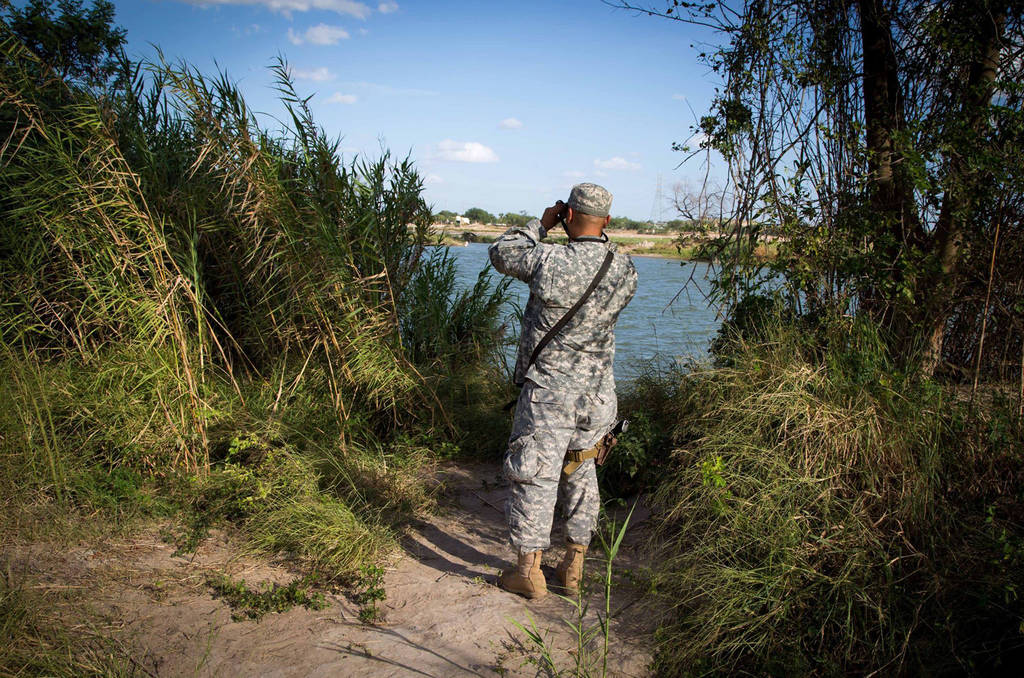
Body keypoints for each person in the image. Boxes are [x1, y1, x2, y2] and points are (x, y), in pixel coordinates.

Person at [488, 183, 638, 599]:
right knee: (582, 469)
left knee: (535, 473)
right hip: (599, 393)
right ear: (607, 221)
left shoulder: (550, 259)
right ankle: (573, 568)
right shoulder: (625, 269)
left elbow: (501, 252)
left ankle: (528, 573)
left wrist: (541, 224)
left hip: (551, 392)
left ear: (567, 215)